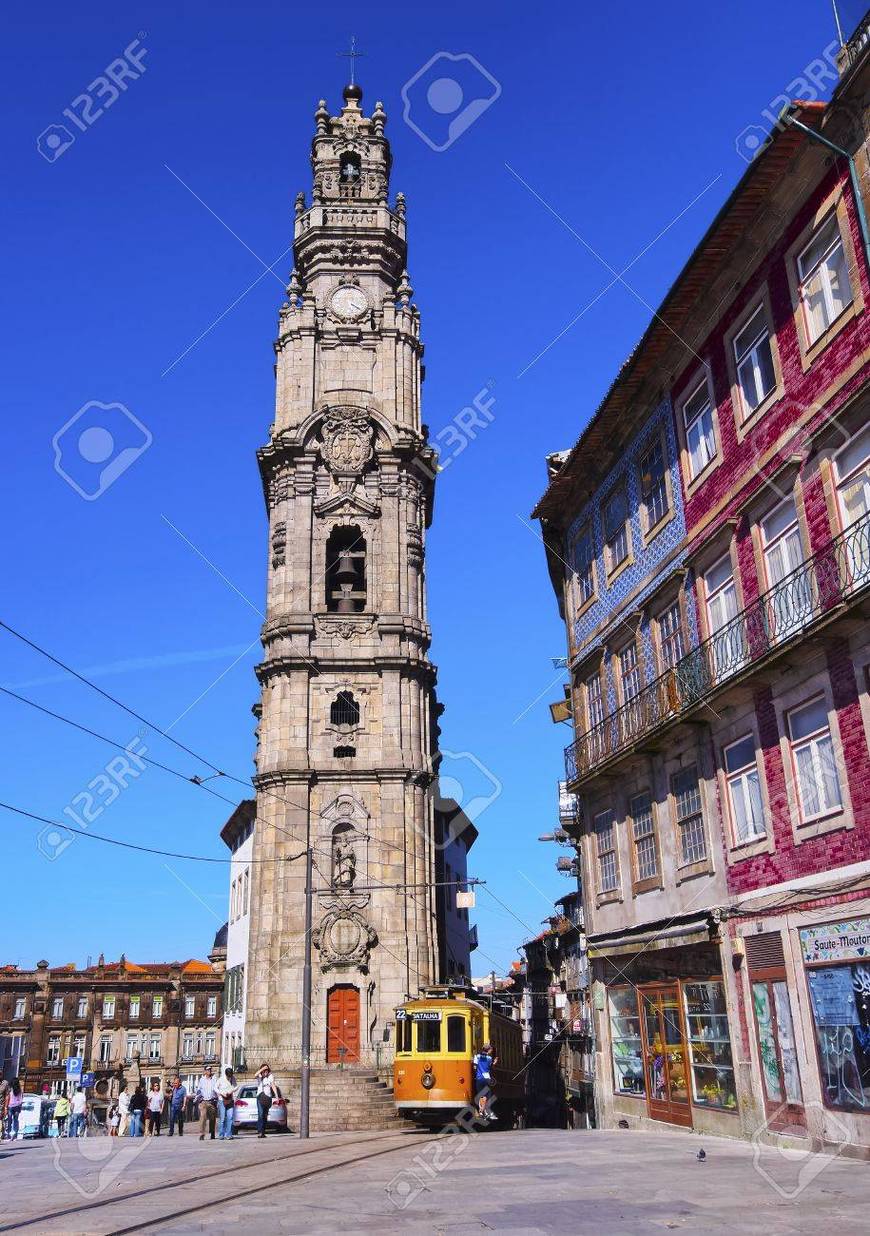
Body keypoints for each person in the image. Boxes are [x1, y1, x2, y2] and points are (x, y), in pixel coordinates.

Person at [472, 1043, 498, 1122]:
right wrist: (495, 1062)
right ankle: (484, 1112)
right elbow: (491, 1067)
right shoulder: (489, 1058)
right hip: (487, 1078)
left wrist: (477, 1073)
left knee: (481, 1096)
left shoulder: (477, 1056)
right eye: (490, 1049)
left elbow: (474, 1067)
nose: (491, 1051)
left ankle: (482, 1112)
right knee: (486, 1096)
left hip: (479, 1078)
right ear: (488, 1050)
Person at [195, 1066, 219, 1140]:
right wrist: (198, 1096)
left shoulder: (214, 1079)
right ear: (205, 1071)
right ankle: (202, 1133)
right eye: (208, 1070)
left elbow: (217, 1089)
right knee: (203, 1116)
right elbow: (198, 1090)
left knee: (212, 1118)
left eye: (210, 1070)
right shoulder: (201, 1080)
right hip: (204, 1102)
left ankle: (212, 1132)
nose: (209, 1071)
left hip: (212, 1101)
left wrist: (217, 1098)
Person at [255, 1063, 277, 1139]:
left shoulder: (270, 1077)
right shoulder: (260, 1077)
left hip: (268, 1098)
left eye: (266, 1071)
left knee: (265, 1115)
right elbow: (255, 1075)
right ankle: (260, 1131)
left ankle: (263, 1131)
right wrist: (262, 1068)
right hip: (260, 1097)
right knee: (260, 1114)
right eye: (264, 1071)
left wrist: (276, 1096)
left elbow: (273, 1086)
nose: (265, 1072)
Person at [216, 1067, 237, 1140]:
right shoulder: (221, 1079)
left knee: (230, 1117)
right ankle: (221, 1134)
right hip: (222, 1100)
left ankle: (228, 1134)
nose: (229, 1077)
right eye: (228, 1076)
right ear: (226, 1074)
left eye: (230, 1075)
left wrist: (231, 1091)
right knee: (222, 1119)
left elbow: (236, 1086)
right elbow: (215, 1088)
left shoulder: (233, 1078)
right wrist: (221, 1093)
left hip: (230, 1099)